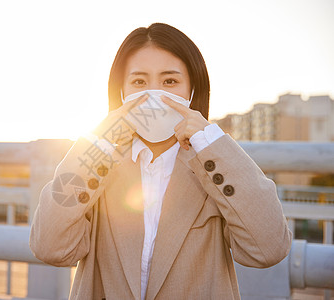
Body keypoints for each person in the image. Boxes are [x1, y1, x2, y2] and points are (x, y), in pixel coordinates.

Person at [29, 23, 292, 300]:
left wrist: (210, 141)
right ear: (121, 92)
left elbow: (268, 248)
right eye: (139, 82)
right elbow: (49, 246)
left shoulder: (214, 170)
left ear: (191, 91)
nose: (154, 95)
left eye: (169, 81)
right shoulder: (101, 169)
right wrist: (100, 142)